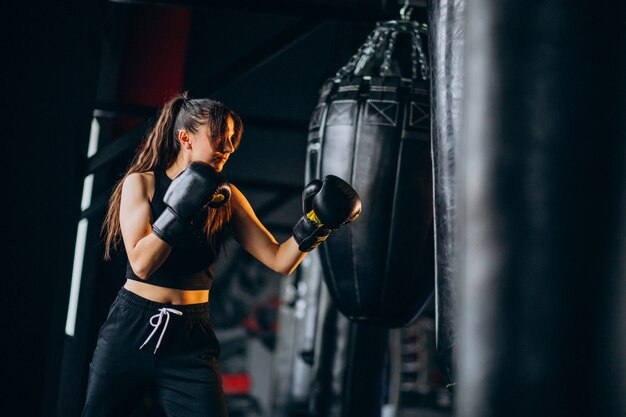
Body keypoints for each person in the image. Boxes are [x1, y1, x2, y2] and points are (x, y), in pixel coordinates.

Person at [81, 92, 361, 417]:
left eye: (230, 140)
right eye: (218, 138)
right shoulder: (142, 184)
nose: (227, 148)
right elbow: (142, 264)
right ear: (185, 138)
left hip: (190, 338)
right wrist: (181, 210)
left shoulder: (227, 197)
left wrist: (317, 222)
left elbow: (279, 259)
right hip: (132, 330)